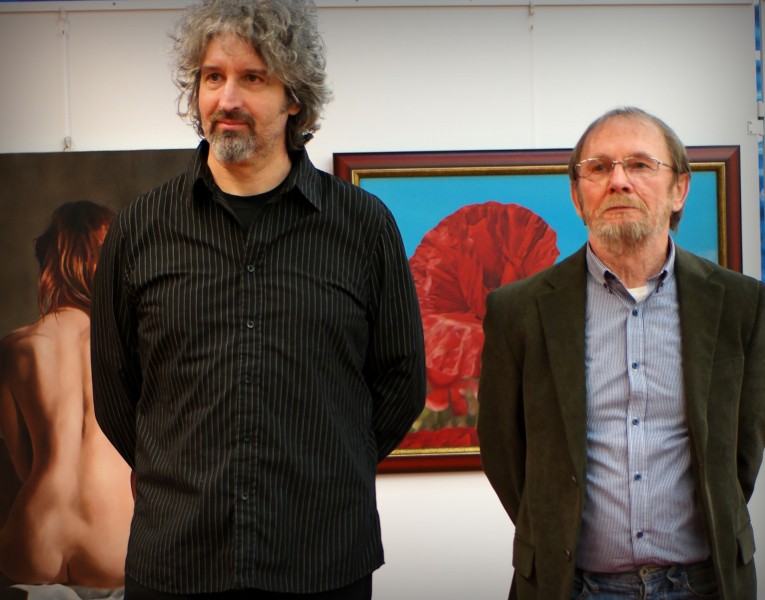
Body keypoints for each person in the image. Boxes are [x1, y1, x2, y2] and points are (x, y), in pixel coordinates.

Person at [89, 1, 426, 599]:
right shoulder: (141, 228)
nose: (228, 99)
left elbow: (401, 381)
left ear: (294, 97)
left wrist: (328, 467)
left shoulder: (363, 226)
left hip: (323, 562)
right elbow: (118, 394)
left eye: (253, 77)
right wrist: (181, 474)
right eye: (212, 77)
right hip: (177, 564)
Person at [477, 106, 765, 599]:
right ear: (577, 195)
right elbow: (505, 453)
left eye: (639, 165)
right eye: (598, 167)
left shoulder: (742, 304)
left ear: (679, 189)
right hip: (573, 587)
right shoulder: (518, 311)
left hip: (705, 583)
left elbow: (742, 450)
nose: (618, 181)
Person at [0, 200, 133, 588]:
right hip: (113, 548)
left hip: (32, 543)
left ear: (49, 264)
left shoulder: (14, 348)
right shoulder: (134, 345)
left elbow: (22, 465)